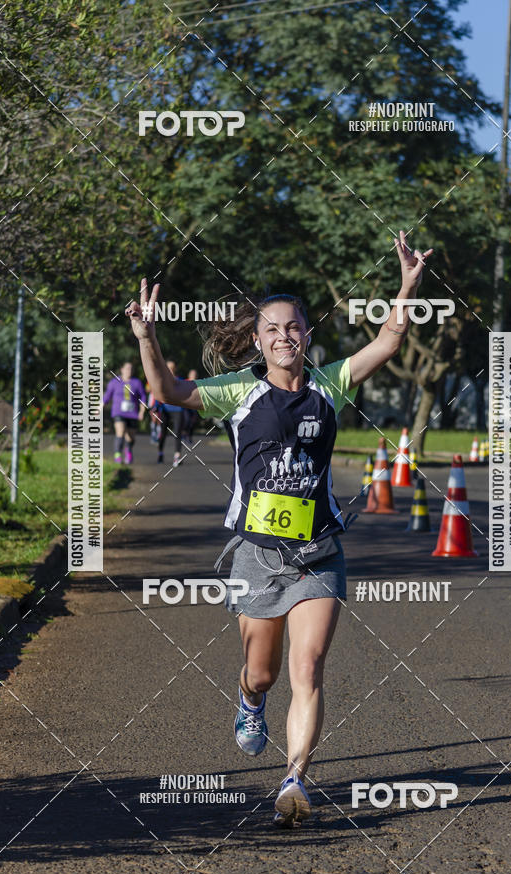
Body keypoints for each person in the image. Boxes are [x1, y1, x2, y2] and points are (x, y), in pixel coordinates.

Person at [125, 231, 432, 827]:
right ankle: (249, 700)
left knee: (308, 668)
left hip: (318, 555)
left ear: (306, 336)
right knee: (263, 672)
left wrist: (407, 286)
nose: (284, 337)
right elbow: (167, 390)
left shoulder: (330, 385)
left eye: (293, 327)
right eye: (272, 330)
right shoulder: (239, 391)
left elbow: (389, 340)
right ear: (259, 341)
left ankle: (293, 780)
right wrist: (147, 336)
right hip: (257, 559)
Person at [102, 362, 147, 464]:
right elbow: (107, 396)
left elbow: (143, 397)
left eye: (131, 369)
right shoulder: (115, 382)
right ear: (121, 369)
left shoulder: (137, 382)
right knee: (120, 432)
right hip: (119, 412)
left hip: (132, 413)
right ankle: (117, 455)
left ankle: (128, 450)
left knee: (131, 437)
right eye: (127, 368)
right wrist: (100, 408)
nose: (129, 371)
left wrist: (142, 412)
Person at [153, 360, 184, 466]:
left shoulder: (180, 380)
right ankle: (160, 453)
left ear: (175, 369)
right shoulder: (162, 380)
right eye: (168, 367)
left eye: (172, 367)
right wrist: (156, 407)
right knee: (163, 434)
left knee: (177, 433)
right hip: (165, 410)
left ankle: (177, 456)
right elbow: (158, 395)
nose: (170, 370)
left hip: (178, 410)